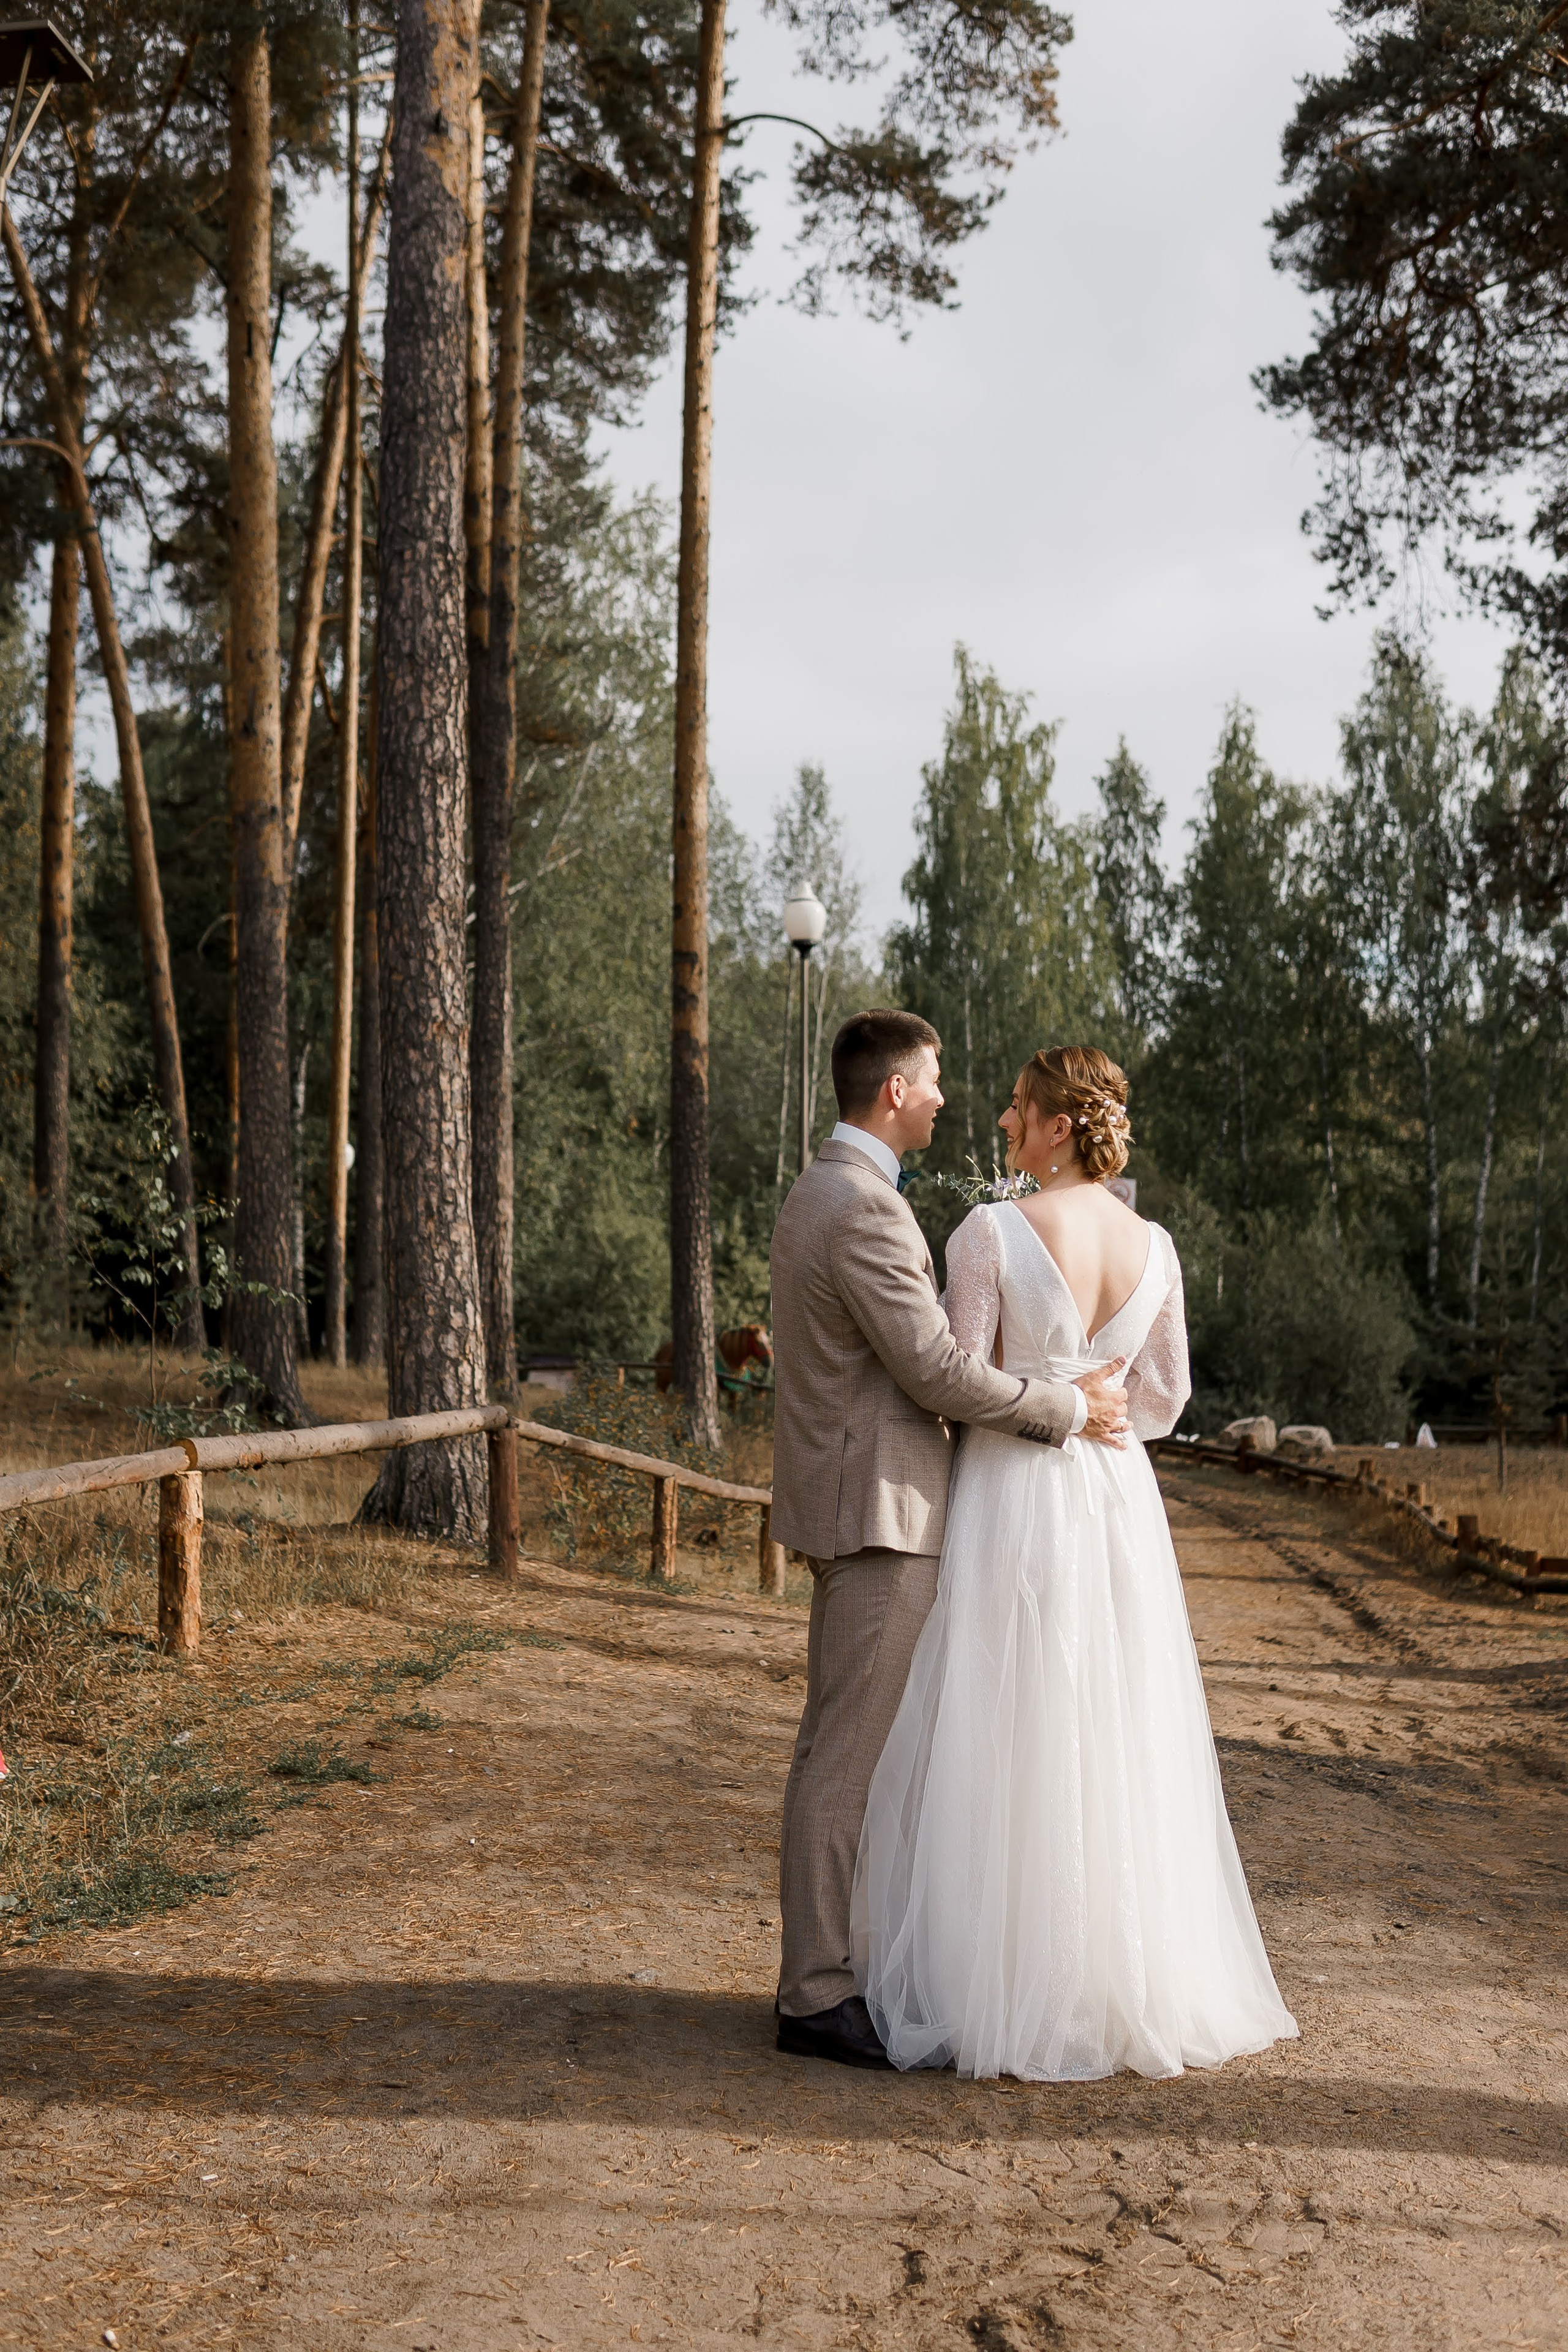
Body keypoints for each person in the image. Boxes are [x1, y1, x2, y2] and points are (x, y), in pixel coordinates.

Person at [853, 1046, 1300, 2079]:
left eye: (1016, 1109)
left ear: (1058, 1126)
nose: (1003, 1122)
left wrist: (1044, 1407)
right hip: (1116, 1497)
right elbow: (1168, 1395)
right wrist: (1104, 1415)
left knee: (1005, 1716)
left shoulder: (990, 1234)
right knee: (1111, 1717)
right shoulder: (1157, 1245)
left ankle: (996, 1977)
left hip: (1014, 1489)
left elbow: (957, 1379)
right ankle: (1111, 1974)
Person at [767, 1011, 1130, 2069]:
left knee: (846, 1752)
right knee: (846, 1760)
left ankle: (832, 1973)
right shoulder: (863, 1209)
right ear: (892, 1093)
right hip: (881, 1513)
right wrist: (1063, 1409)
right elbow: (934, 1370)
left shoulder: (829, 1192)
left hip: (861, 1502)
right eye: (931, 1082)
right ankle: (817, 1994)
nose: (944, 1098)